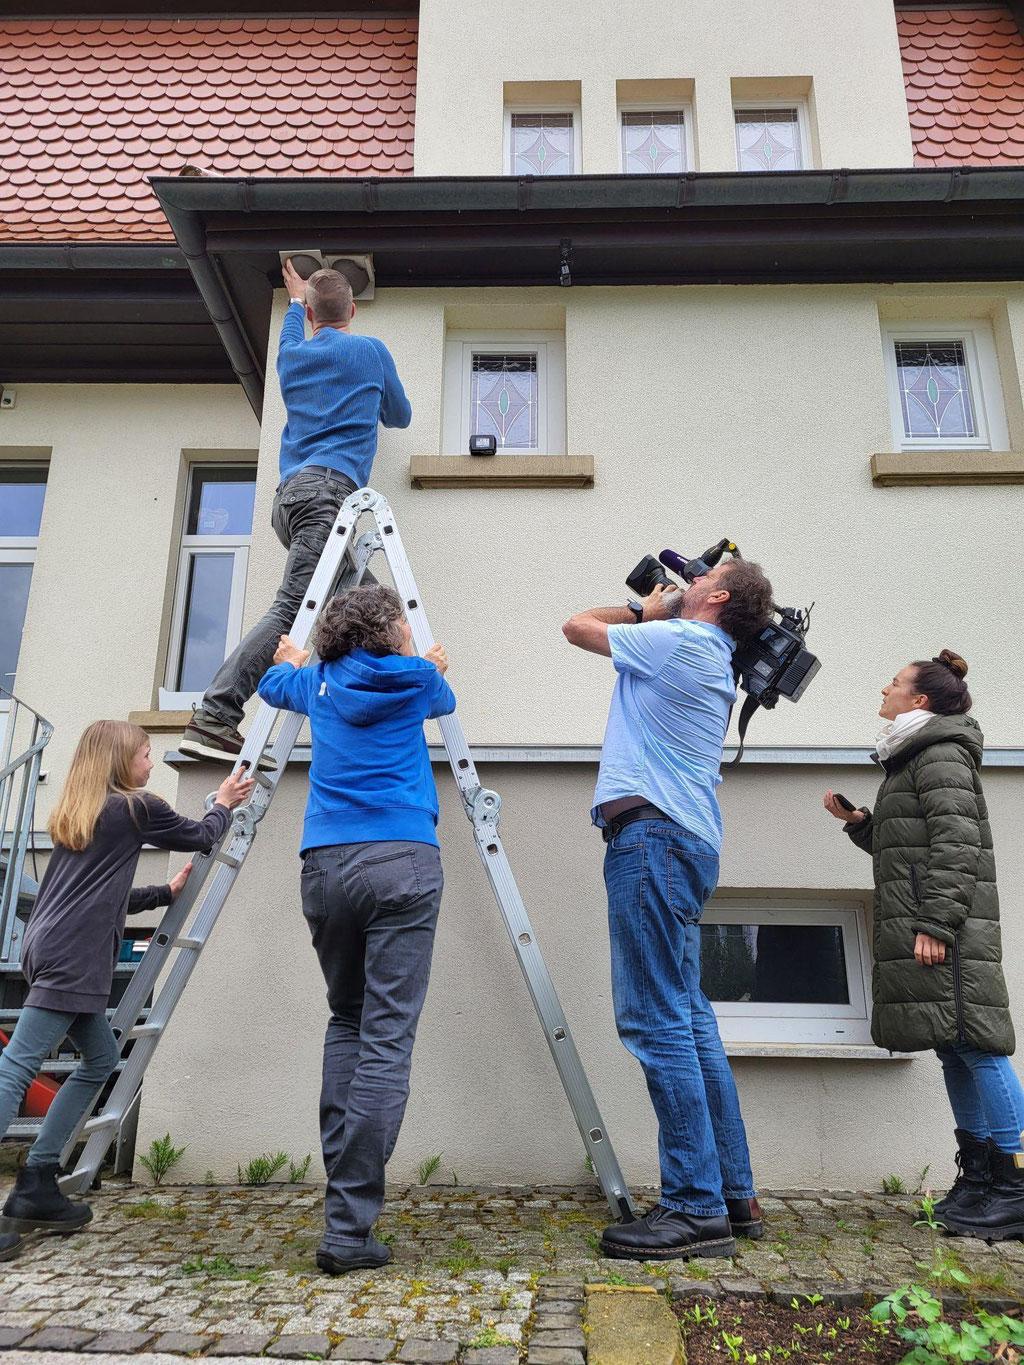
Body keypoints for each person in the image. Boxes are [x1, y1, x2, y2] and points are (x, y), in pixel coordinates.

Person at [562, 560, 774, 1260]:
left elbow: (574, 626)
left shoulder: (683, 641)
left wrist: (646, 611)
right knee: (688, 1017)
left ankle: (694, 1206)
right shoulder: (710, 656)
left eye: (706, 572)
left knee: (655, 1019)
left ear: (716, 597)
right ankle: (731, 1192)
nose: (691, 573)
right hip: (681, 841)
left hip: (651, 841)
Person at [0, 720, 253, 1262]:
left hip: (54, 946)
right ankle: (34, 1179)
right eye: (144, 753)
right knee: (17, 1067)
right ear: (120, 761)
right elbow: (203, 835)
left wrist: (165, 891)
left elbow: (100, 893)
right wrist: (224, 800)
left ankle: (39, 1180)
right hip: (73, 956)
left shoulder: (85, 812)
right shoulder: (135, 807)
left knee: (100, 1058)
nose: (151, 761)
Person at [257, 584, 455, 1274]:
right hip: (400, 859)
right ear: (389, 630)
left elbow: (272, 681)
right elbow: (444, 696)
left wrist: (290, 654)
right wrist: (428, 658)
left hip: (326, 864)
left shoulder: (318, 682)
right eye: (402, 622)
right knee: (386, 1038)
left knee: (347, 1021)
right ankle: (348, 1227)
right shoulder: (418, 678)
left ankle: (344, 1213)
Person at [824, 651, 1024, 1242]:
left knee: (981, 1048)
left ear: (921, 702)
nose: (883, 688)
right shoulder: (912, 762)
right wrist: (863, 823)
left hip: (950, 934)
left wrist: (936, 925)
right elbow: (907, 855)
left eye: (895, 683)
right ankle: (980, 1182)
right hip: (931, 928)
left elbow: (956, 848)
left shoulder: (939, 757)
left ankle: (1014, 1185)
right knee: (953, 1048)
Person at [181, 259, 412, 764]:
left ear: (310, 315)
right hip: (329, 497)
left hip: (292, 502)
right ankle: (216, 713)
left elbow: (290, 331)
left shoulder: (292, 356)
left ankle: (370, 711)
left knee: (376, 608)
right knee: (293, 607)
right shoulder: (370, 351)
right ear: (352, 309)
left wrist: (292, 300)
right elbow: (400, 415)